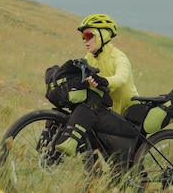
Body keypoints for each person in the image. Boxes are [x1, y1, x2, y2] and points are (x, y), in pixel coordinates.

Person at [55, 14, 142, 161]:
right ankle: (94, 171)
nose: (85, 40)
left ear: (103, 35)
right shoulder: (90, 57)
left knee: (124, 162)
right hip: (107, 111)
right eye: (83, 36)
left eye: (89, 35)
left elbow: (121, 78)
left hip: (126, 114)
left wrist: (103, 81)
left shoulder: (119, 57)